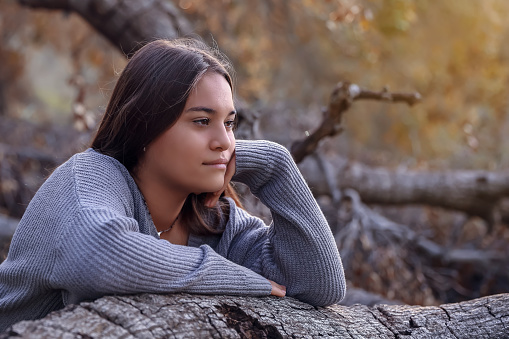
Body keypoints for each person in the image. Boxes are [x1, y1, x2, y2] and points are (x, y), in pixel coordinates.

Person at [0, 38, 346, 331]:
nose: (224, 141)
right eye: (201, 121)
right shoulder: (89, 179)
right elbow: (100, 257)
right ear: (145, 125)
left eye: (228, 123)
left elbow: (321, 284)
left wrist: (275, 165)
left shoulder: (216, 223)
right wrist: (236, 278)